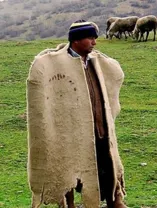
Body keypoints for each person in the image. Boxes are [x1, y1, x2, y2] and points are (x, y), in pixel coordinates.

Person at [27, 20, 127, 208]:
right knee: (68, 168)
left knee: (107, 162)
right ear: (76, 40)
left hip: (99, 127)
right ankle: (68, 204)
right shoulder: (57, 64)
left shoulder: (98, 63)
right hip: (71, 131)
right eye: (90, 38)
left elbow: (113, 79)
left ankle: (116, 200)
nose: (94, 43)